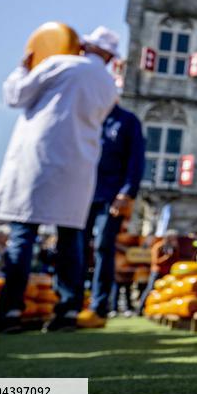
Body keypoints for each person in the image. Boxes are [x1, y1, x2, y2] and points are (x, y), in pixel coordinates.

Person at [0, 25, 119, 333]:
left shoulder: (61, 63)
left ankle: (11, 311)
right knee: (71, 237)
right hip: (79, 164)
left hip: (41, 156)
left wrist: (23, 68)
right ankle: (68, 310)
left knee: (23, 233)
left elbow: (16, 95)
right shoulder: (110, 85)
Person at [77, 102, 144, 329]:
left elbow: (136, 160)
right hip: (81, 192)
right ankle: (71, 303)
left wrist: (127, 192)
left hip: (111, 194)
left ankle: (99, 305)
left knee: (105, 247)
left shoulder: (127, 120)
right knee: (75, 245)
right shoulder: (86, 115)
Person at [138, 230, 179, 314]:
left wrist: (176, 250)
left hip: (167, 273)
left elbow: (176, 260)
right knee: (150, 289)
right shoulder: (158, 246)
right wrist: (166, 257)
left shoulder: (172, 248)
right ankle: (140, 309)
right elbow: (155, 261)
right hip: (157, 272)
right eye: (173, 239)